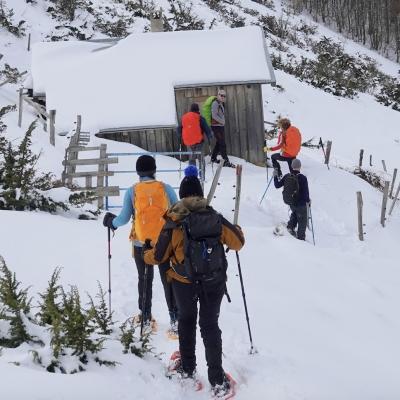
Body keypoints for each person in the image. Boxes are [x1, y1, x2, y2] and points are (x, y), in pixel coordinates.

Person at [143, 165, 244, 397]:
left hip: (183, 282)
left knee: (187, 322)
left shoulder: (174, 221)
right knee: (209, 326)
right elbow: (237, 243)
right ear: (200, 194)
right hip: (213, 281)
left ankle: (187, 369)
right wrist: (237, 230)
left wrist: (146, 252)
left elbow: (159, 257)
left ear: (182, 195)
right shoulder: (214, 217)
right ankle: (217, 381)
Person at [103, 155, 179, 333]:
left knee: (144, 279)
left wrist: (110, 223)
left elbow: (123, 218)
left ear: (138, 172)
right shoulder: (165, 188)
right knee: (167, 279)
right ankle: (174, 319)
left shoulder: (133, 191)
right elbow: (177, 213)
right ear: (154, 170)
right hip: (164, 243)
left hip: (140, 244)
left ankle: (145, 318)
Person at [273, 158, 310, 240]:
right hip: (301, 205)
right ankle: (301, 239)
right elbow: (306, 194)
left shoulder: (287, 176)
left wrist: (275, 176)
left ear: (291, 166)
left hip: (291, 203)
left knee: (295, 213)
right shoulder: (303, 178)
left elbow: (277, 185)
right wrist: (308, 201)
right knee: (302, 223)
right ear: (299, 167)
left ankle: (290, 228)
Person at [177, 103, 212, 173]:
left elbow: (178, 129)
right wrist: (209, 137)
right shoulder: (200, 118)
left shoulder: (184, 117)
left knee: (191, 159)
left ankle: (192, 176)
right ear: (198, 110)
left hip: (188, 142)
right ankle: (202, 177)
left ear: (190, 109)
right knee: (201, 159)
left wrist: (180, 136)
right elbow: (207, 129)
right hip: (199, 142)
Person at [210, 89, 234, 168]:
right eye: (221, 95)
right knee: (222, 144)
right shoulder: (215, 104)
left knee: (219, 143)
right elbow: (214, 115)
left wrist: (222, 123)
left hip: (220, 126)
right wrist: (221, 122)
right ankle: (225, 161)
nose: (223, 97)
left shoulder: (221, 104)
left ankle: (213, 158)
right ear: (218, 95)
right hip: (216, 127)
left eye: (224, 96)